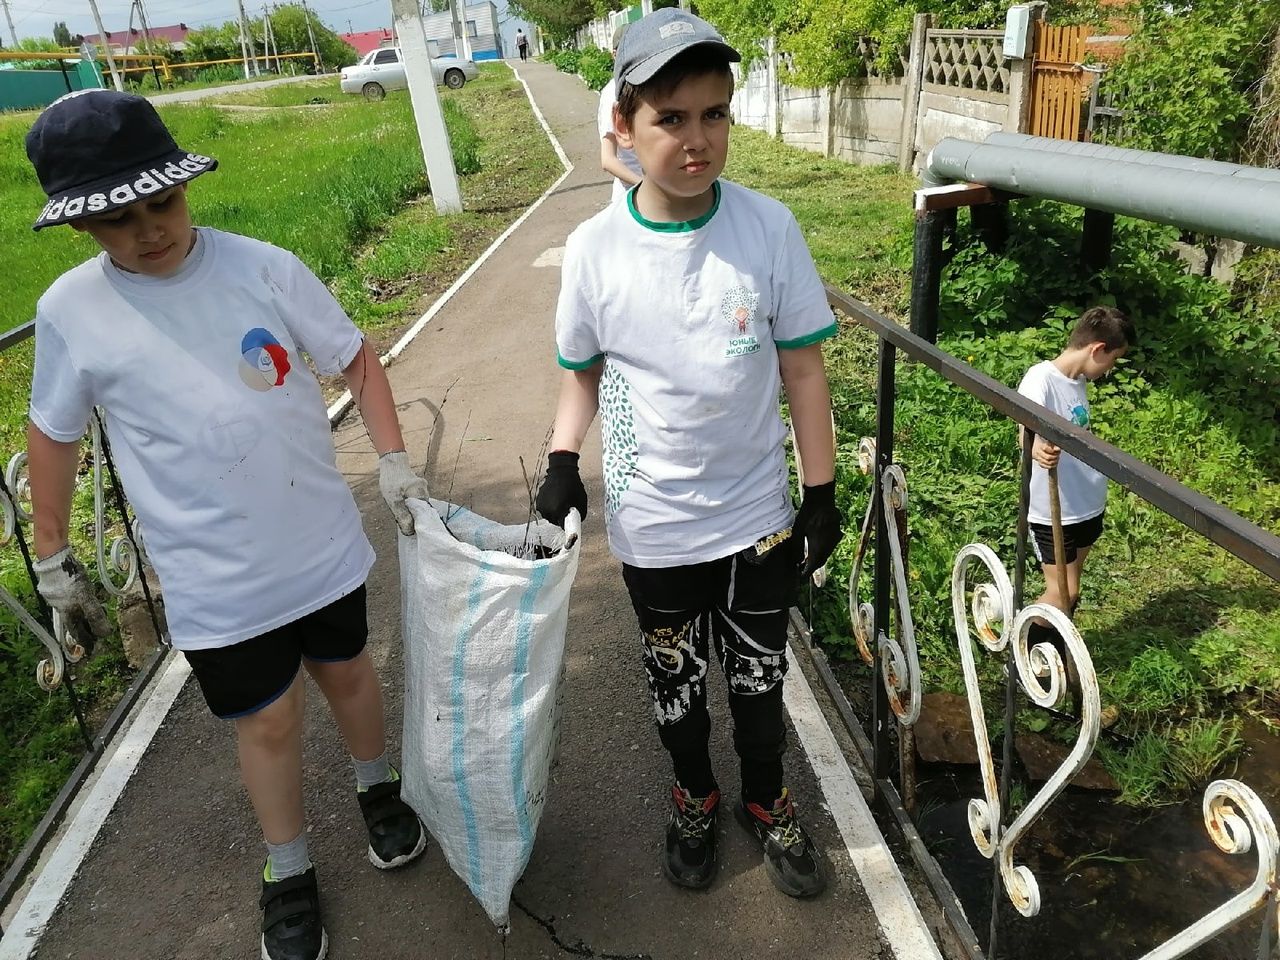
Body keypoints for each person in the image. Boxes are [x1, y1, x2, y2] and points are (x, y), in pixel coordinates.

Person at [23, 90, 430, 960]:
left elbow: (354, 354)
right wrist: (52, 553)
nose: (148, 230)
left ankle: (377, 787)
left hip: (317, 546)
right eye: (117, 218)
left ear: (184, 186)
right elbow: (52, 434)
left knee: (351, 676)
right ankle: (288, 868)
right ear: (80, 227)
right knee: (267, 722)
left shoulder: (261, 267)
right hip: (214, 575)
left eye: (160, 202)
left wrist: (395, 463)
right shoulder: (71, 312)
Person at [535, 10, 843, 899]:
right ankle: (693, 794)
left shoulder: (769, 228)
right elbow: (580, 378)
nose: (697, 139)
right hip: (656, 524)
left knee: (758, 683)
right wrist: (563, 461)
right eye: (671, 118)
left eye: (714, 114)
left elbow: (803, 369)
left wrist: (818, 492)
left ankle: (768, 799)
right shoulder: (595, 250)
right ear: (624, 125)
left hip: (757, 519)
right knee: (676, 687)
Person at [1017, 306, 1135, 671]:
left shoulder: (1078, 381)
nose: (1110, 370)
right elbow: (1024, 427)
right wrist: (1034, 445)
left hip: (1086, 502)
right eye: (1112, 361)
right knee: (1063, 592)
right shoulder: (1041, 379)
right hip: (1053, 508)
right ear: (1097, 349)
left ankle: (1055, 659)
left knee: (1071, 588)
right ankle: (1026, 654)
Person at [596, 23, 643, 203]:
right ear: (614, 54)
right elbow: (607, 160)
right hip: (629, 198)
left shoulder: (649, 87)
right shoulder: (612, 94)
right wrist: (644, 185)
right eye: (626, 50)